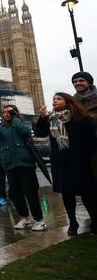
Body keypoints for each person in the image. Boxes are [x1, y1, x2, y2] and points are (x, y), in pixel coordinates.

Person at [36, 93, 97, 235]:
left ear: (68, 101)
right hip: (60, 163)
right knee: (67, 195)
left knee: (86, 194)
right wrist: (42, 116)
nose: (54, 101)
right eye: (53, 99)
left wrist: (81, 157)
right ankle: (73, 223)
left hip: (79, 162)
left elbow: (92, 142)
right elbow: (40, 132)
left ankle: (95, 222)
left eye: (58, 99)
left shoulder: (81, 119)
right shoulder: (51, 119)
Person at [0, 105, 46, 231]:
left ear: (15, 112)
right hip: (10, 164)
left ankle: (39, 220)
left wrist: (15, 118)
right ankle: (25, 219)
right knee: (15, 194)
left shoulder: (23, 123)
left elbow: (25, 132)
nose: (6, 114)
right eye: (4, 112)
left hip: (24, 163)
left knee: (30, 193)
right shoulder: (2, 128)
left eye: (9, 111)